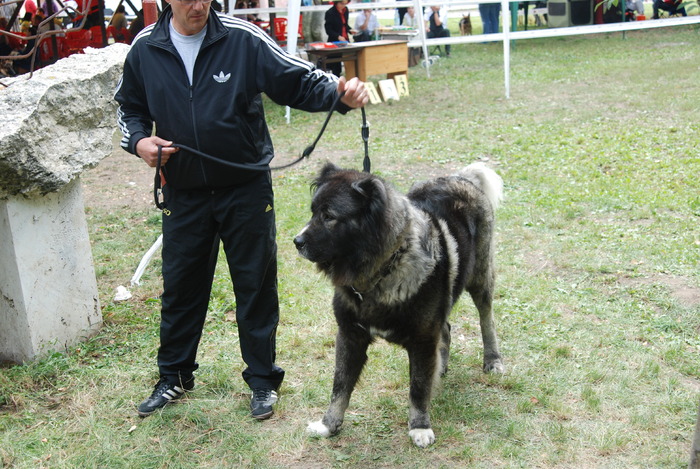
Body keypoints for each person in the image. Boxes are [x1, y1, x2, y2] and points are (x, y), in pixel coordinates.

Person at [114, 0, 368, 420]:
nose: (199, 6)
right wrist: (140, 142)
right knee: (181, 288)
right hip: (184, 193)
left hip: (245, 189)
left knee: (255, 285)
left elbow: (297, 80)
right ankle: (174, 376)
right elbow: (130, 109)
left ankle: (263, 380)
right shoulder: (145, 47)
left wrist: (338, 92)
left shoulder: (242, 38)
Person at [324, 0, 353, 75]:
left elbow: (345, 25)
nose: (343, 5)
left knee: (351, 59)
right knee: (336, 64)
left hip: (345, 40)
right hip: (335, 41)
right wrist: (338, 36)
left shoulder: (345, 10)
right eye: (342, 3)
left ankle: (350, 75)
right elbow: (328, 30)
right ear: (336, 2)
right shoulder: (330, 13)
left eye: (345, 4)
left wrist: (350, 30)